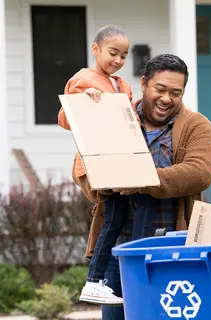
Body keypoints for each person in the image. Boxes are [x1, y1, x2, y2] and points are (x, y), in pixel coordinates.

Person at [72, 54, 211, 319]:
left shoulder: (196, 126)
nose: (167, 98)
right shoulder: (114, 115)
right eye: (160, 89)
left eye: (176, 92)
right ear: (144, 84)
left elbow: (200, 172)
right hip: (118, 252)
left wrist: (143, 182)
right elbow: (82, 167)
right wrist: (107, 182)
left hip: (172, 250)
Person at [57, 25, 134, 306]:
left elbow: (130, 119)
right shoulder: (83, 79)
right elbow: (66, 118)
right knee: (112, 218)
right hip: (100, 161)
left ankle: (101, 279)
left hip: (123, 159)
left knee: (117, 218)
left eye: (124, 55)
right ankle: (94, 280)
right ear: (96, 49)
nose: (118, 60)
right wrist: (84, 101)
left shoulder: (122, 85)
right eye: (113, 53)